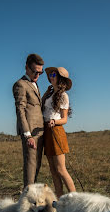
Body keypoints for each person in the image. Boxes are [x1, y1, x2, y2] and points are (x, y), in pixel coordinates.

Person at [41, 67, 76, 197]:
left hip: (56, 131)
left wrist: (54, 122)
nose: (51, 76)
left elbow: (64, 119)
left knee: (61, 169)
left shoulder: (63, 95)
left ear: (61, 79)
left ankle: (75, 201)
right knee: (53, 171)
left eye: (54, 74)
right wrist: (45, 94)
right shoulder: (50, 94)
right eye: (51, 74)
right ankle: (60, 202)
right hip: (47, 131)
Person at [13, 53, 45, 188]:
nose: (37, 75)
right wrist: (27, 135)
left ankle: (33, 200)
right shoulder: (20, 84)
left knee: (37, 165)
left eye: (40, 73)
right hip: (30, 132)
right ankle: (27, 201)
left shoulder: (35, 84)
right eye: (34, 72)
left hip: (40, 131)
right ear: (26, 67)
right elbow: (20, 110)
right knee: (30, 166)